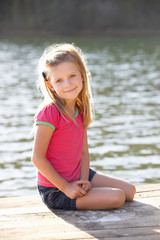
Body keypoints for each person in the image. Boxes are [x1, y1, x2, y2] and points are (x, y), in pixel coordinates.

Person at [32, 43, 136, 211]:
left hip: (78, 174)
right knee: (118, 197)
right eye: (59, 80)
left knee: (130, 191)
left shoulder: (80, 110)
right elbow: (37, 158)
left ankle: (88, 190)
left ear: (82, 76)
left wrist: (84, 180)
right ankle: (82, 193)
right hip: (56, 189)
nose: (67, 84)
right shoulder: (50, 113)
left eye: (72, 76)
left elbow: (83, 153)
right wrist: (66, 187)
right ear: (50, 85)